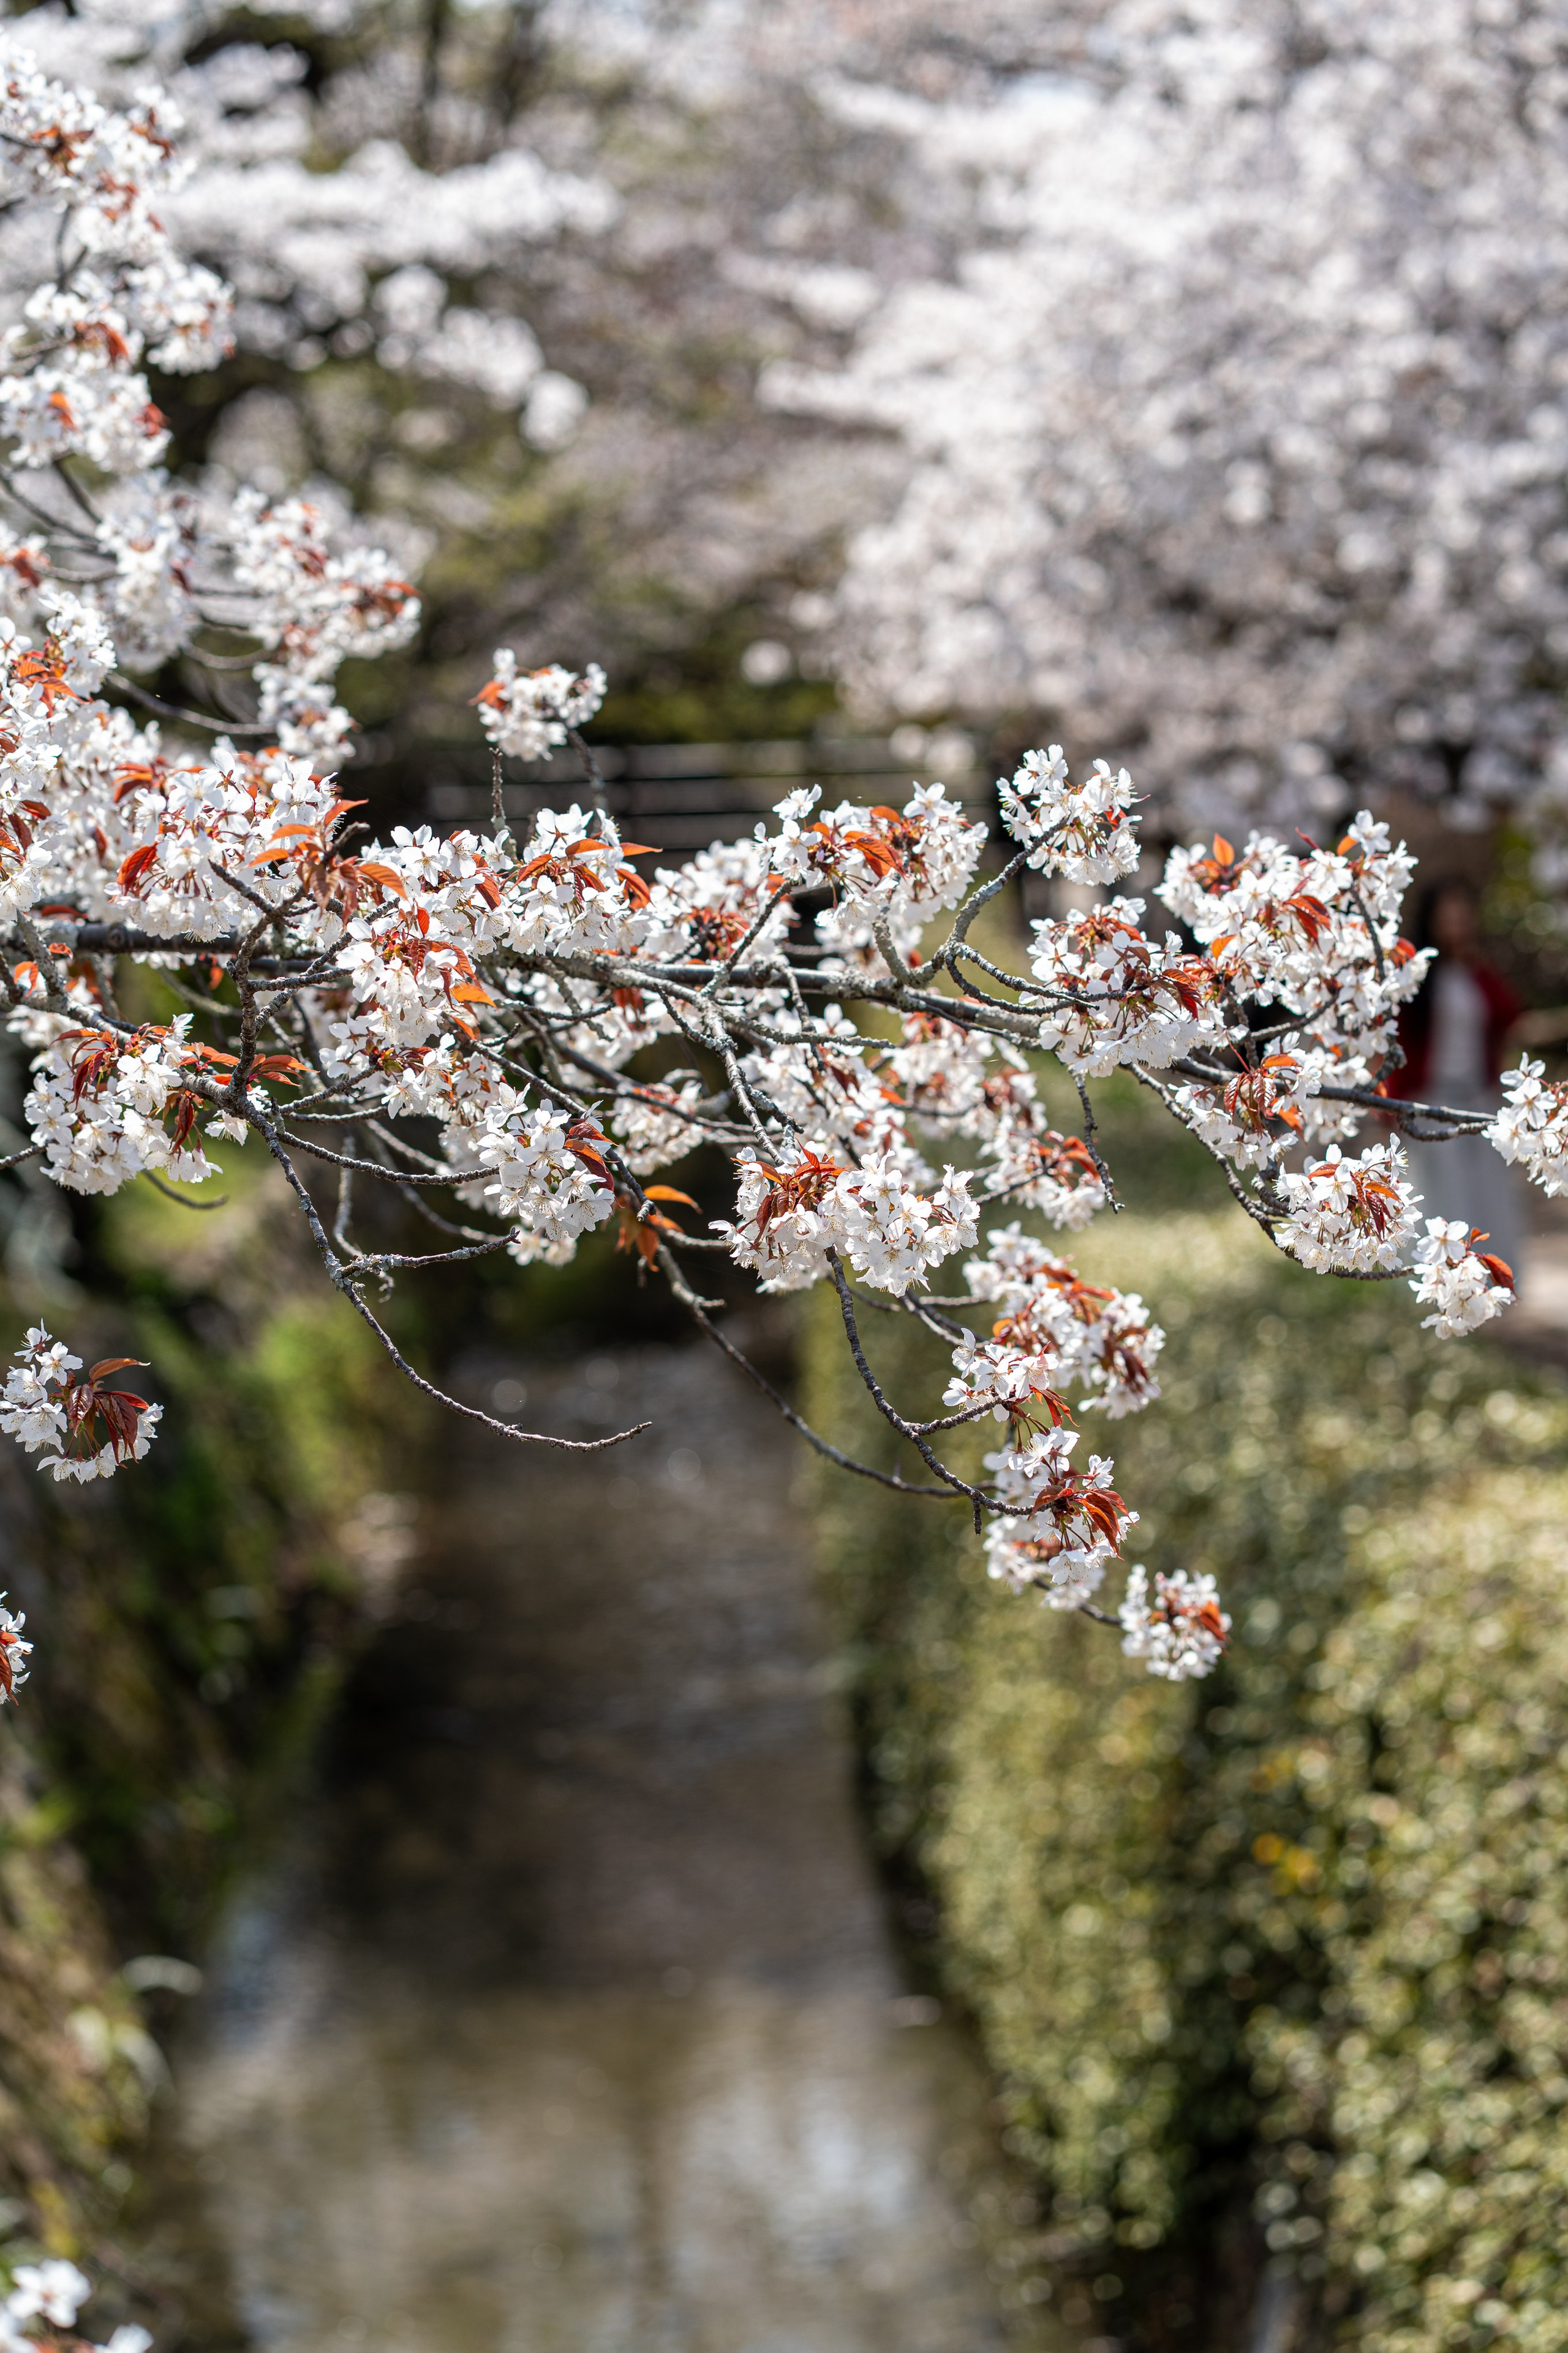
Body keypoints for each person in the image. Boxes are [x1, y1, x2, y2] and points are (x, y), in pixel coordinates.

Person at [1396, 878, 1527, 1279]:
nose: (1456, 923)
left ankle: (1494, 1277)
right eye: (1447, 915)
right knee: (1442, 1192)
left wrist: (1476, 962)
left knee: (1487, 1187)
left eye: (1462, 915)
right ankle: (1441, 1282)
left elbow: (1509, 1011)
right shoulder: (1416, 976)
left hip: (1478, 1094)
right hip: (1430, 1097)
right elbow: (1395, 1037)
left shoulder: (1475, 973)